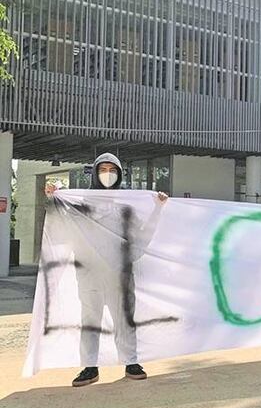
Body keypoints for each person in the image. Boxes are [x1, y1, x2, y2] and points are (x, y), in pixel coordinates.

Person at [44, 153, 168, 387]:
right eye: (104, 169)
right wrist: (54, 200)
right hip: (89, 275)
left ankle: (131, 362)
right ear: (95, 174)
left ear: (119, 175)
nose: (108, 174)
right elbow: (62, 227)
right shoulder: (81, 209)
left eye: (113, 170)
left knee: (124, 320)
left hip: (119, 275)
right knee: (90, 321)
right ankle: (90, 367)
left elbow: (140, 239)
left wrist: (157, 210)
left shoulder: (125, 211)